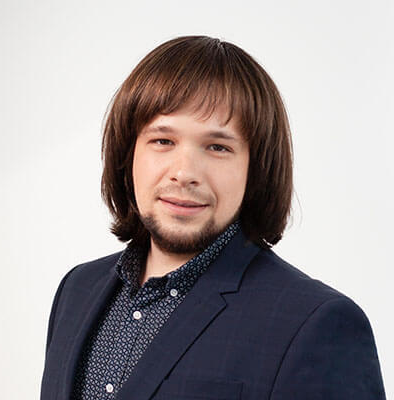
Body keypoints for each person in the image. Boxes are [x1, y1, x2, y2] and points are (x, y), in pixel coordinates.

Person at [40, 36, 386, 400]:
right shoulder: (77, 290)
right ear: (128, 153)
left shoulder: (316, 322)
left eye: (218, 147)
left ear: (256, 169)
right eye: (163, 141)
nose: (184, 173)